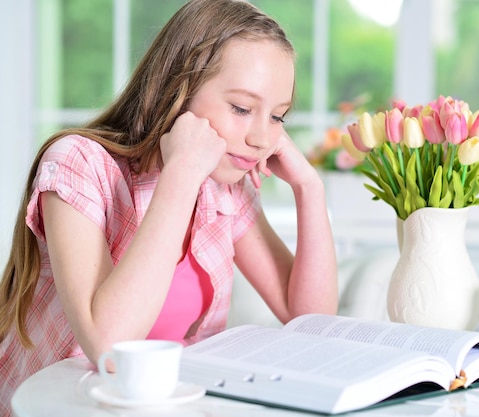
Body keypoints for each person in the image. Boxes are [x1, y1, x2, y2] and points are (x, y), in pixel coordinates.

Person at [0, 0, 338, 412]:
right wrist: (180, 175)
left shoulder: (224, 186)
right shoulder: (79, 164)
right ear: (176, 90)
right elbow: (109, 347)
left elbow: (312, 320)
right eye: (242, 109)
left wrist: (309, 188)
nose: (262, 138)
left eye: (278, 117)